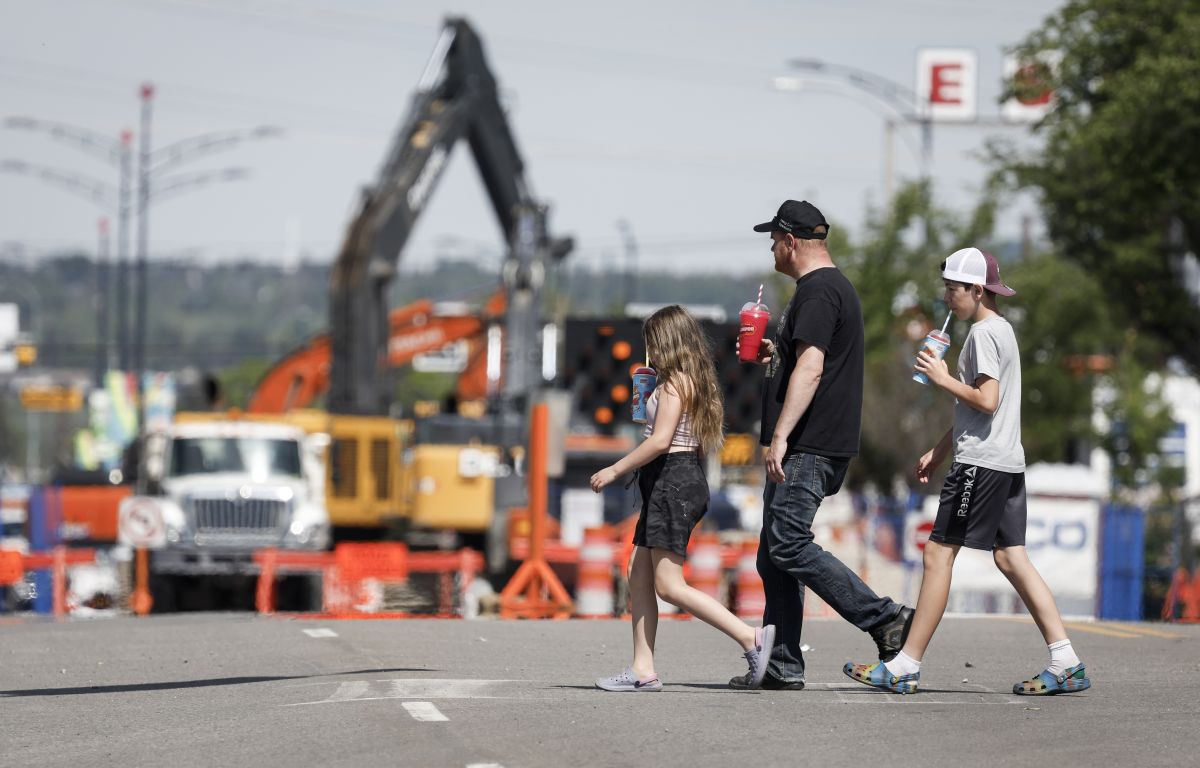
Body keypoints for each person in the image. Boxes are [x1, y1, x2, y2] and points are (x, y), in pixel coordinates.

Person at [844, 247, 1091, 695]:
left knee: (939, 554)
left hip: (981, 464)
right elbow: (977, 407)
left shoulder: (982, 334)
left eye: (953, 290)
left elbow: (987, 400)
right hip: (1004, 461)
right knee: (1010, 556)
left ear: (977, 290)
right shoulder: (1001, 330)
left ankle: (905, 665)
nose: (947, 298)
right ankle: (1065, 660)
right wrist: (940, 449)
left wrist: (940, 378)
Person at [730, 200, 912, 691]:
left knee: (787, 542)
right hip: (811, 443)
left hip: (809, 445)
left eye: (773, 238)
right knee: (773, 554)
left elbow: (812, 370)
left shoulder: (817, 292)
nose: (770, 246)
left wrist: (782, 436)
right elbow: (807, 360)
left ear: (791, 242)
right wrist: (777, 352)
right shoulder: (828, 291)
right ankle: (784, 663)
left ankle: (885, 619)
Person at [591, 305, 776, 692]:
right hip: (667, 480)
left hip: (673, 480)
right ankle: (643, 669)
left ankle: (750, 637)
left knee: (669, 586)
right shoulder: (676, 381)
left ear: (669, 342)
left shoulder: (676, 383)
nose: (650, 352)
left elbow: (661, 442)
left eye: (653, 344)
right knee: (637, 573)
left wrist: (615, 469)